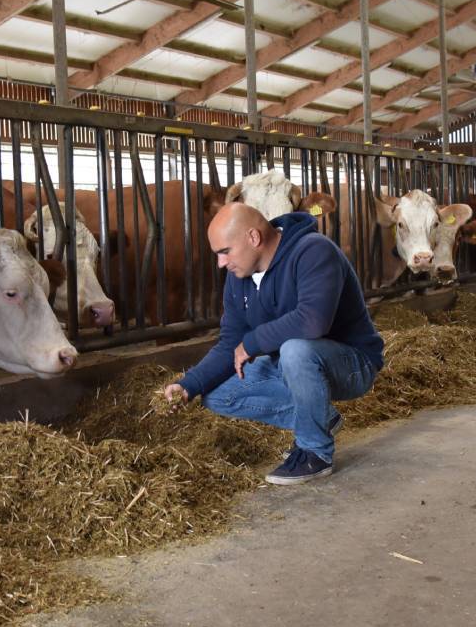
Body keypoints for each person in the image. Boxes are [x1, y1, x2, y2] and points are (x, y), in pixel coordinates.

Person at [161, 202, 384, 484]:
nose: (221, 263)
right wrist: (188, 384)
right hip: (290, 367)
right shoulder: (238, 277)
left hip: (351, 364)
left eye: (224, 252)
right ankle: (319, 417)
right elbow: (231, 342)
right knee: (215, 393)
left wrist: (252, 342)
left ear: (253, 238)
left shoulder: (313, 250)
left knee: (295, 349)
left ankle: (315, 451)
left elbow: (313, 321)